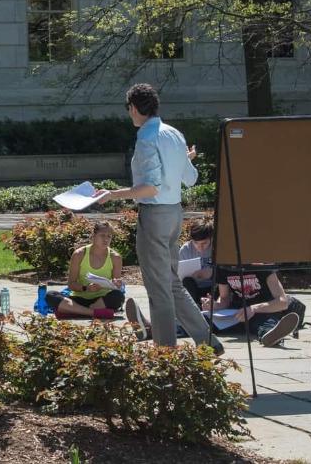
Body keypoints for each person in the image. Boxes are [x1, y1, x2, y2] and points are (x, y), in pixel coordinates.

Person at [93, 83, 218, 352]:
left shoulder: (147, 136)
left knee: (159, 287)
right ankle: (207, 342)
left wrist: (111, 195)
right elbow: (191, 178)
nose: (130, 115)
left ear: (135, 108)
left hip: (154, 216)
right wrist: (184, 159)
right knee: (172, 283)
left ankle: (164, 353)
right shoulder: (174, 134)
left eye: (129, 109)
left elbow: (151, 187)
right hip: (174, 214)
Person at [203, 264, 304, 347]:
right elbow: (224, 300)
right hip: (237, 314)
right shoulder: (223, 267)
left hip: (262, 311)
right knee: (205, 320)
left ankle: (272, 336)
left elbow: (282, 302)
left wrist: (253, 309)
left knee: (264, 324)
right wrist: (214, 305)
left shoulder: (263, 267)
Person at [45, 221, 126, 320]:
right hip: (79, 298)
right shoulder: (79, 254)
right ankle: (93, 313)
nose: (106, 239)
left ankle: (75, 311)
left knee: (118, 296)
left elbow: (116, 285)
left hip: (101, 301)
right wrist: (86, 288)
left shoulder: (115, 257)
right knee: (50, 295)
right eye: (102, 235)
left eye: (109, 236)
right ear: (94, 236)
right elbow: (71, 284)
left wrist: (117, 284)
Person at [179, 218, 215, 306]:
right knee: (186, 282)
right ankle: (193, 307)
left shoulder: (217, 248)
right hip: (193, 287)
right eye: (196, 243)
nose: (200, 247)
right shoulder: (185, 250)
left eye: (204, 243)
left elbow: (228, 273)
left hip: (214, 287)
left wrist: (212, 273)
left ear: (211, 238)